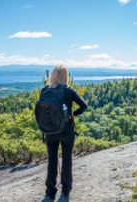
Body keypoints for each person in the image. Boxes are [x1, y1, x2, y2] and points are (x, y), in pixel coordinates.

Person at [42, 65, 88, 201]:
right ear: (66, 76)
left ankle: (50, 193)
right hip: (66, 131)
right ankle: (65, 191)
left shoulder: (45, 89)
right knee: (67, 160)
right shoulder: (69, 90)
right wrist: (73, 115)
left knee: (52, 160)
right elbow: (84, 105)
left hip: (50, 131)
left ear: (53, 76)